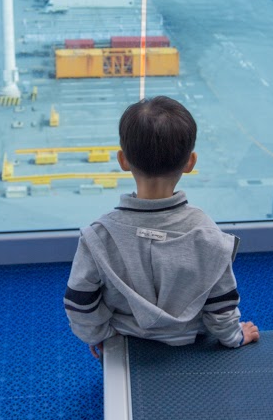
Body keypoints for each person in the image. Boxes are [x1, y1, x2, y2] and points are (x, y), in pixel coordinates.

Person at [64, 96, 260, 357]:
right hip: (191, 346)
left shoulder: (99, 236)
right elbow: (220, 306)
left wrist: (100, 337)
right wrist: (234, 337)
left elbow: (80, 305)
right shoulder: (207, 235)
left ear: (123, 160)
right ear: (190, 162)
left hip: (125, 342)